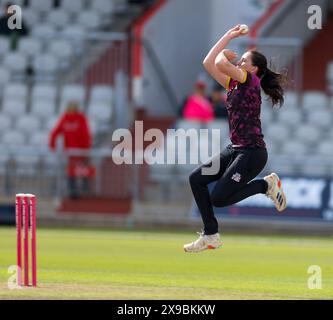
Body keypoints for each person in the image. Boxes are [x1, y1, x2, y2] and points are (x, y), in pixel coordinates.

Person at [184, 24, 288, 253]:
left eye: (243, 61)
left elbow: (220, 62)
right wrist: (228, 36)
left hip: (252, 152)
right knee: (196, 179)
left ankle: (265, 185)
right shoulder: (234, 84)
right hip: (236, 149)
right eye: (239, 60)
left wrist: (225, 55)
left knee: (219, 198)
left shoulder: (249, 81)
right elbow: (209, 62)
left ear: (255, 70)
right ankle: (210, 235)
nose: (239, 63)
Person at [49, 101, 94, 199]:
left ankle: (83, 192)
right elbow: (55, 133)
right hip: (72, 152)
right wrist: (52, 145)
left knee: (82, 172)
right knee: (72, 172)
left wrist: (86, 150)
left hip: (80, 151)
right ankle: (74, 193)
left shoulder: (80, 118)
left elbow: (85, 134)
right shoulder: (66, 118)